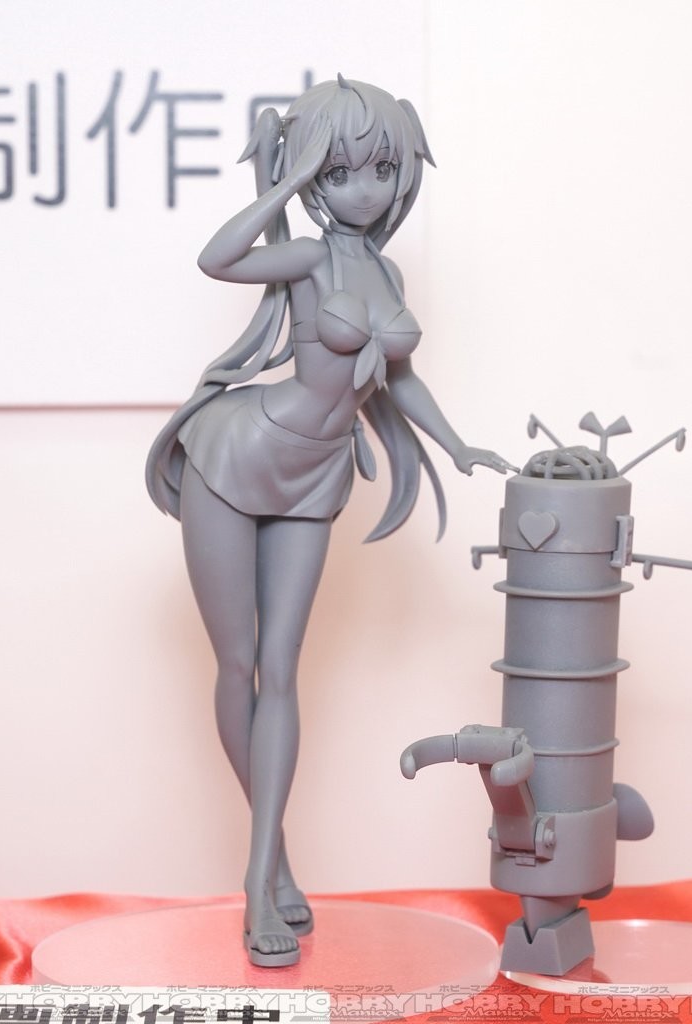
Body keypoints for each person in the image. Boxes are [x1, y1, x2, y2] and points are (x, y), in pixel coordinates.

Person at [146, 76, 514, 967]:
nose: (363, 190)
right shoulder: (307, 257)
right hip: (237, 454)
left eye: (380, 170)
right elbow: (217, 259)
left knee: (282, 667)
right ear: (313, 173)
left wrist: (456, 446)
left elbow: (398, 378)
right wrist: (284, 181)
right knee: (237, 663)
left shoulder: (384, 272)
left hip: (315, 473)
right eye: (340, 171)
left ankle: (267, 864)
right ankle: (264, 874)